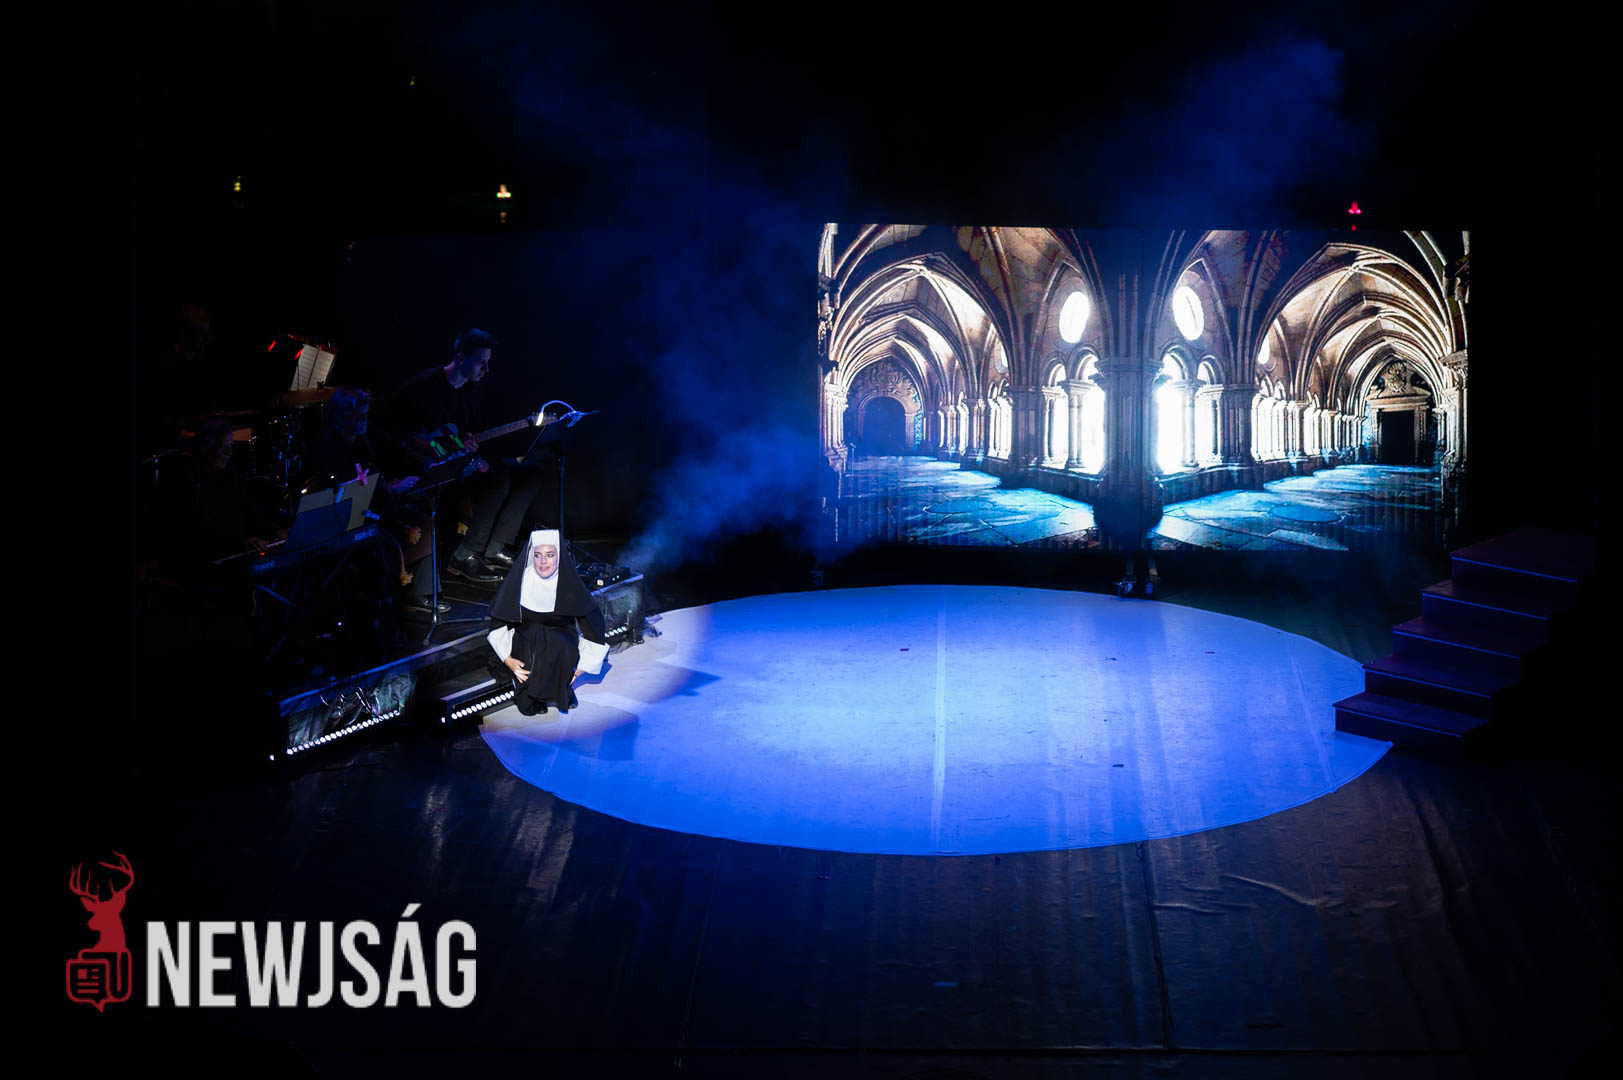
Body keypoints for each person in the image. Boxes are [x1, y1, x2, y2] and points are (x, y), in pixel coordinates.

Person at [380, 329, 547, 585]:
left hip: (458, 462)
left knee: (531, 472)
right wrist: (424, 445)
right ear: (461, 357)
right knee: (498, 480)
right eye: (482, 362)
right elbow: (389, 423)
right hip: (429, 468)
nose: (486, 369)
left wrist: (468, 445)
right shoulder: (425, 386)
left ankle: (495, 548)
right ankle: (464, 555)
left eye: (488, 362)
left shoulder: (471, 393)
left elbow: (465, 437)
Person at [304, 387, 448, 615]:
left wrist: (428, 465)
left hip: (378, 507)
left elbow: (397, 454)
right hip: (348, 518)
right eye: (359, 416)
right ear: (342, 416)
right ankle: (386, 605)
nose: (364, 420)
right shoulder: (328, 445)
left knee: (425, 523)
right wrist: (391, 488)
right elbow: (341, 492)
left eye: (365, 414)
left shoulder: (367, 434)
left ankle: (418, 593)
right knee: (381, 541)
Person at [486, 529, 609, 716]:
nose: (543, 562)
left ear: (559, 557)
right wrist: (508, 660)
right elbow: (498, 623)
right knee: (531, 647)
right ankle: (529, 697)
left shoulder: (569, 583)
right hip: (526, 639)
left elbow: (593, 626)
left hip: (560, 638)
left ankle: (563, 691)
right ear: (532, 556)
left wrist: (582, 667)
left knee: (561, 645)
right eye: (538, 555)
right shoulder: (520, 582)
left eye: (550, 555)